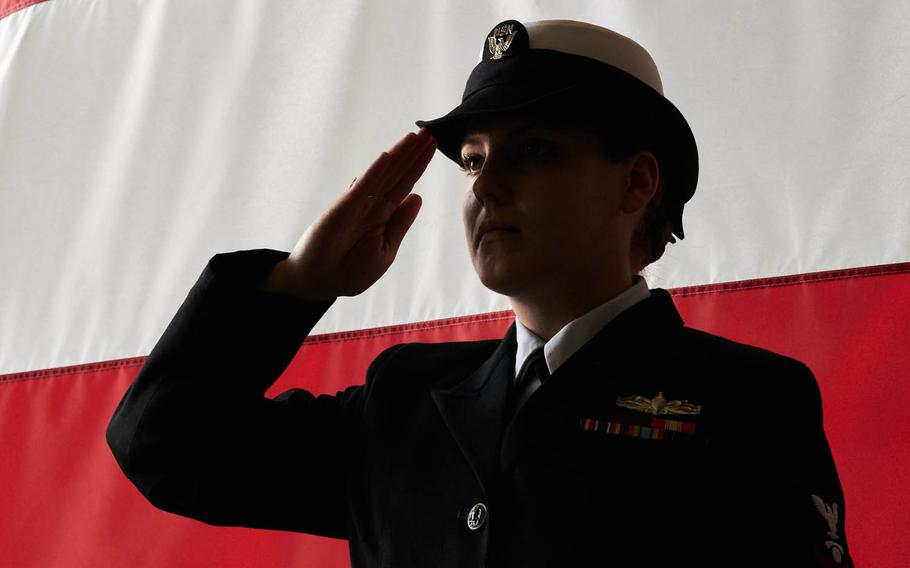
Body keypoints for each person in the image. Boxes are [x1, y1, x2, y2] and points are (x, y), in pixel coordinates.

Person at [106, 19, 852, 567]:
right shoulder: (406, 400)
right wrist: (299, 284)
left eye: (534, 151)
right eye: (471, 161)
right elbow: (167, 446)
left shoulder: (750, 401)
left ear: (636, 181)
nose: (487, 185)